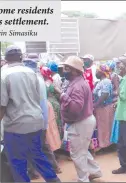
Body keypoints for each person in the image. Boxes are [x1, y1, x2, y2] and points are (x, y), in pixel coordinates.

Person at [0, 45, 60, 182]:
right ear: (21, 57)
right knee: (37, 155)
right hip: (36, 122)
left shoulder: (3, 75)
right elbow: (38, 98)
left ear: (6, 58)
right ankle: (53, 180)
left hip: (16, 125)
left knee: (17, 162)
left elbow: (2, 106)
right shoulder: (32, 73)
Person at [56, 56, 102, 182]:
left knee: (77, 153)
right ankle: (94, 171)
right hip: (84, 121)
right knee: (82, 150)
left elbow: (75, 107)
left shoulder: (77, 86)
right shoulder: (78, 83)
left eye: (67, 68)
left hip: (80, 122)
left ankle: (83, 179)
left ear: (75, 71)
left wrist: (62, 95)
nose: (64, 71)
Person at [93, 64, 115, 152]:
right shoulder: (100, 82)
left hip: (105, 107)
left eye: (97, 71)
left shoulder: (106, 81)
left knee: (105, 127)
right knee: (102, 126)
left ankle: (106, 146)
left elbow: (104, 95)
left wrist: (95, 105)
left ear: (101, 72)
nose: (95, 73)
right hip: (100, 108)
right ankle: (104, 144)